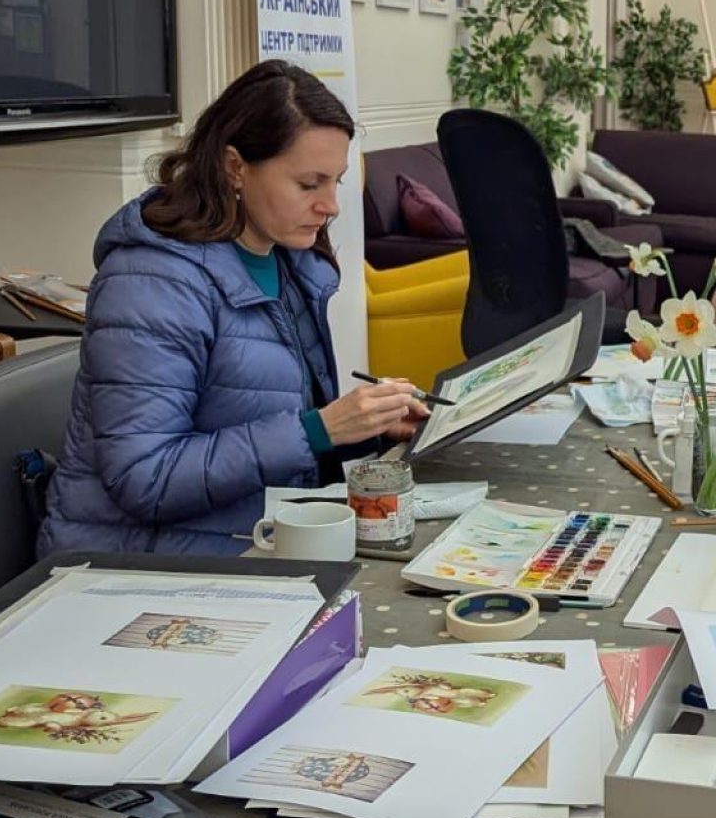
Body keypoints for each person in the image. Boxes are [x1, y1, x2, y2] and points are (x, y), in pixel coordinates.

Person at [40, 61, 427, 555]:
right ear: (235, 167)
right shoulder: (152, 284)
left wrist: (363, 429)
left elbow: (272, 426)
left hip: (250, 537)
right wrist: (320, 429)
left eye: (337, 182)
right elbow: (145, 479)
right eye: (309, 185)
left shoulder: (286, 260)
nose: (330, 205)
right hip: (141, 565)